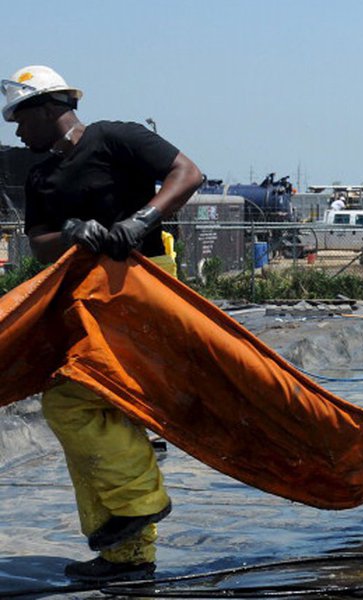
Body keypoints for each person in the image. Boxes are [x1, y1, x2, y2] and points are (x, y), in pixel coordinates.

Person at [3, 65, 203, 582]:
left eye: (21, 118)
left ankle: (139, 503)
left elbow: (187, 174)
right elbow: (41, 239)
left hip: (142, 283)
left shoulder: (116, 137)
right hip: (86, 293)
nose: (16, 131)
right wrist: (73, 233)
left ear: (49, 107)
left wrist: (141, 219)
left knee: (74, 400)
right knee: (112, 409)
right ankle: (127, 557)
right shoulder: (41, 174)